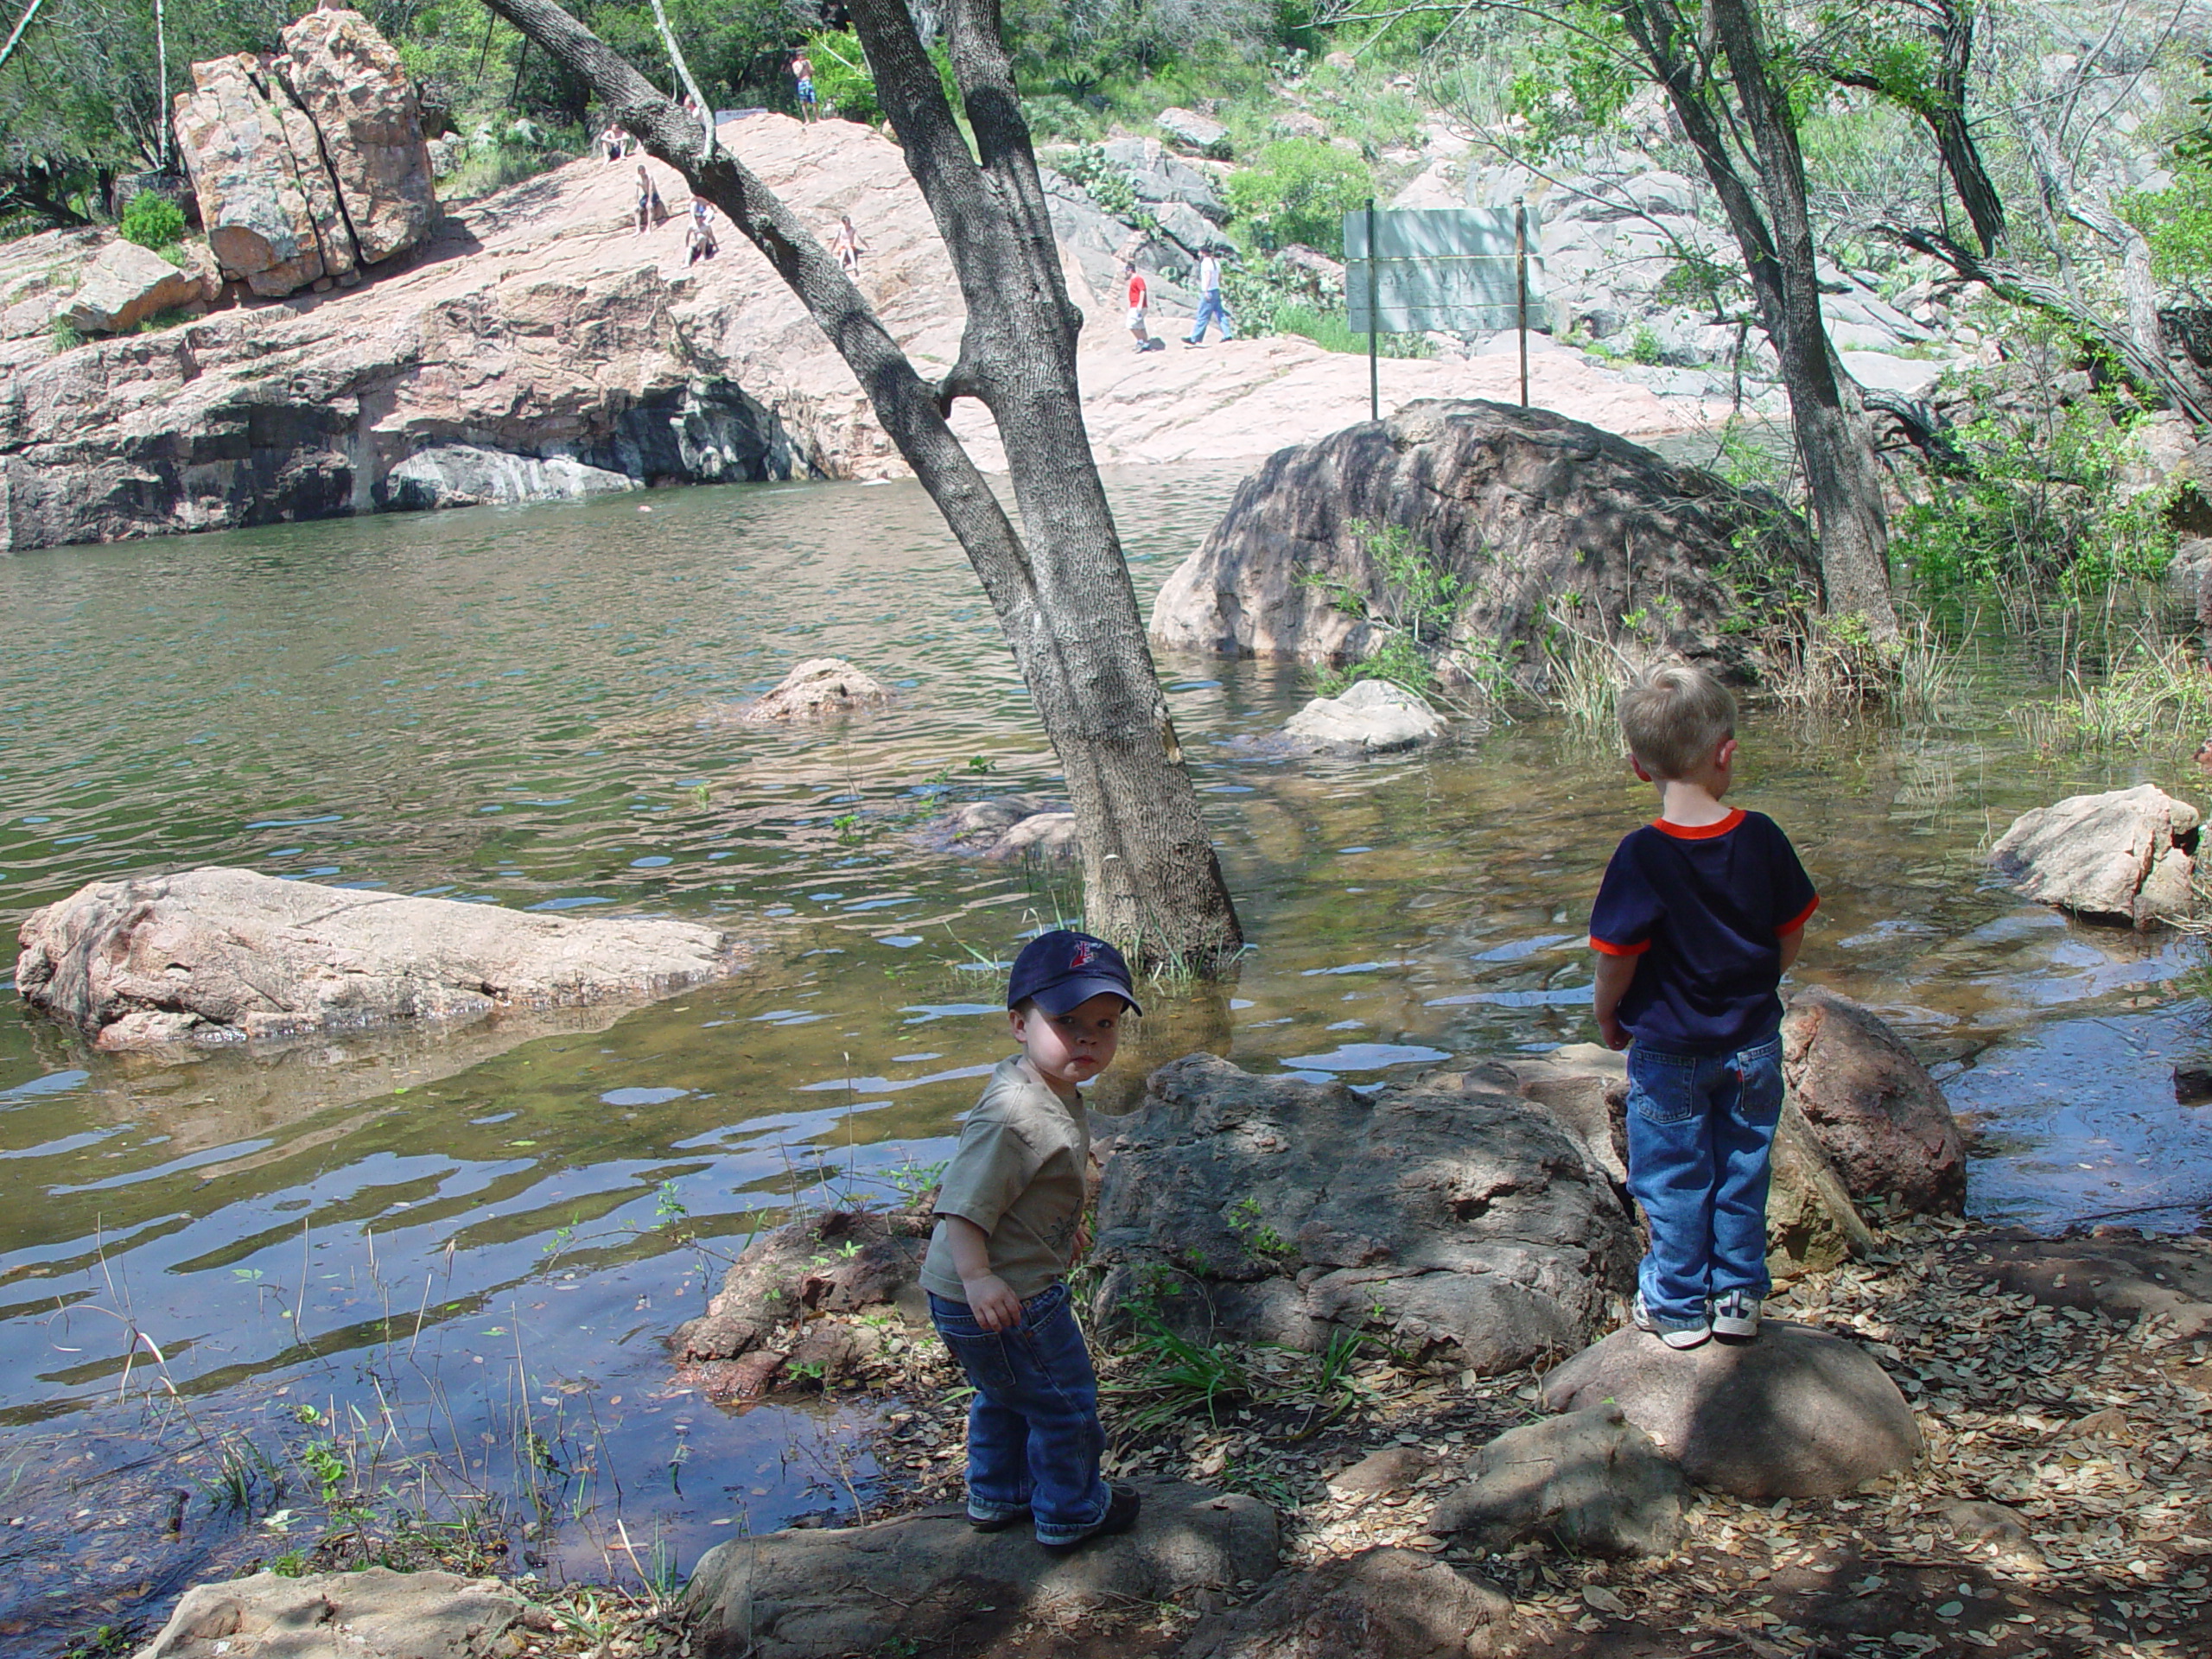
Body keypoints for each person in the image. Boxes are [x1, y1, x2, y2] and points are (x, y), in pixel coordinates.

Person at [1588, 664, 1817, 1351]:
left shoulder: (1641, 855)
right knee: (1744, 1165)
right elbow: (1792, 929)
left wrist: (1608, 1017)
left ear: (1636, 766)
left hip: (1666, 1051)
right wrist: (1759, 982)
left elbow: (1616, 958)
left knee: (1672, 1177)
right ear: (1726, 751)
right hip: (1752, 1044)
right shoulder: (1762, 837)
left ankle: (1679, 1305)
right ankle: (1739, 1298)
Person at [919, 929, 1144, 1551]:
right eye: (1066, 1020)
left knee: (1005, 1393)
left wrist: (1057, 1234)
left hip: (986, 1287)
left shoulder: (1046, 1088)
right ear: (1019, 1024)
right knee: (1065, 1402)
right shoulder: (1016, 1112)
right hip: (1006, 1294)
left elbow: (1028, 1190)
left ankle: (999, 1493)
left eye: (1105, 1022)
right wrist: (980, 1277)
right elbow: (961, 1205)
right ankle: (1071, 1510)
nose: (1088, 1037)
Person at [1185, 250, 1235, 345]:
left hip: (1209, 291)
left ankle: (1195, 338)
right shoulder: (1216, 263)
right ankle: (1227, 334)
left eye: (1199, 252)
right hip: (1216, 290)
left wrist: (1207, 290)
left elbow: (1208, 276)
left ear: (1203, 252)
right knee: (1220, 313)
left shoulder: (1205, 262)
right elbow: (1219, 278)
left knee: (1202, 315)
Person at [1124, 262, 1152, 353]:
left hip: (1137, 306)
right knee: (1140, 326)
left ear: (1130, 270)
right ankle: (1146, 343)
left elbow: (1142, 290)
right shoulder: (1134, 280)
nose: (1125, 274)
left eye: (1126, 271)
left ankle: (1140, 341)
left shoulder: (1137, 279)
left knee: (1130, 324)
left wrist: (1140, 304)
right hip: (1137, 306)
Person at [686, 199, 718, 264]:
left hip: (707, 246)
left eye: (701, 218)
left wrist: (716, 246)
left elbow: (711, 236)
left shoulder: (706, 225)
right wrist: (687, 245)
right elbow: (687, 236)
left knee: (701, 237)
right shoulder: (692, 226)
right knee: (689, 249)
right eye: (698, 218)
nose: (700, 219)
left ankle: (703, 255)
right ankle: (687, 263)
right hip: (698, 246)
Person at [635, 164, 664, 235]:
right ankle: (638, 230)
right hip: (646, 195)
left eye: (643, 171)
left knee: (649, 207)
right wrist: (636, 202)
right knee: (637, 209)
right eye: (641, 172)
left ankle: (649, 228)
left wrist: (649, 201)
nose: (642, 173)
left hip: (654, 195)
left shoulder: (649, 177)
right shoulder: (638, 179)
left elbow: (651, 189)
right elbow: (636, 191)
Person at [833, 213, 865, 277]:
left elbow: (860, 238)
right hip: (843, 247)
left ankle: (854, 266)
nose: (849, 224)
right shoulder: (841, 230)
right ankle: (841, 267)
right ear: (844, 223)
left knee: (850, 249)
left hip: (850, 246)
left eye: (849, 222)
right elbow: (835, 240)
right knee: (843, 252)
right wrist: (831, 249)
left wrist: (867, 247)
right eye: (848, 223)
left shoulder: (852, 229)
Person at [792, 51, 817, 122]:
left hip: (808, 81)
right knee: (804, 102)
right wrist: (802, 67)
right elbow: (797, 74)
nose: (803, 57)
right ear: (798, 56)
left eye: (803, 55)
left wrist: (808, 67)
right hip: (802, 83)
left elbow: (813, 71)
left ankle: (817, 118)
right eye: (801, 55)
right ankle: (807, 120)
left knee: (814, 101)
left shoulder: (808, 62)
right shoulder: (795, 64)